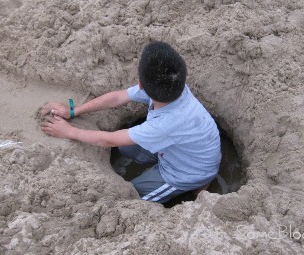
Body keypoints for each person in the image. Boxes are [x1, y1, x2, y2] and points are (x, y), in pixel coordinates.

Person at [41, 41, 221, 203]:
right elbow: (118, 97)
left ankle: (200, 185)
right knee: (126, 147)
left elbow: (109, 140)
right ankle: (191, 177)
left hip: (187, 172)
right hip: (183, 150)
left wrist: (69, 132)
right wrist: (74, 111)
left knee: (130, 196)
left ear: (141, 84)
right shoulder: (173, 87)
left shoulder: (164, 124)